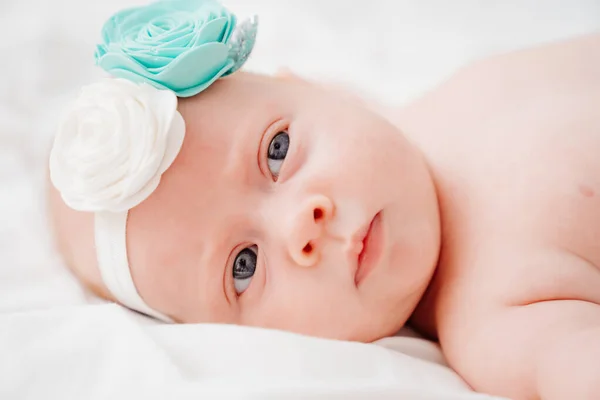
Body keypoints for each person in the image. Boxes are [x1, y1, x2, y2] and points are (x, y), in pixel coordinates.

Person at [47, 1, 600, 398]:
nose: (300, 226)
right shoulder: (499, 320)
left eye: (278, 150)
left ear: (320, 87)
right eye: (244, 266)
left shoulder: (457, 91)